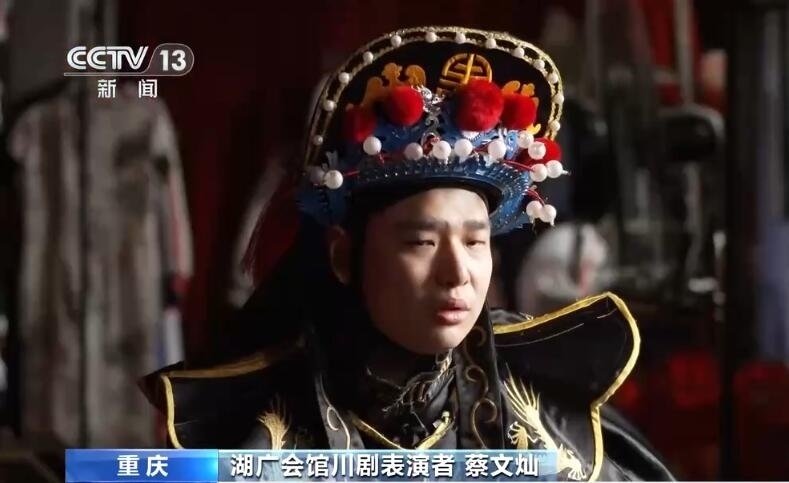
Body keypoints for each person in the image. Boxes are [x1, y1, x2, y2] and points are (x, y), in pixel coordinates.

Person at [139, 26, 675, 481]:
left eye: (475, 241)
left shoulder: (544, 412)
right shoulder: (264, 432)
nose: (457, 273)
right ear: (344, 257)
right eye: (423, 241)